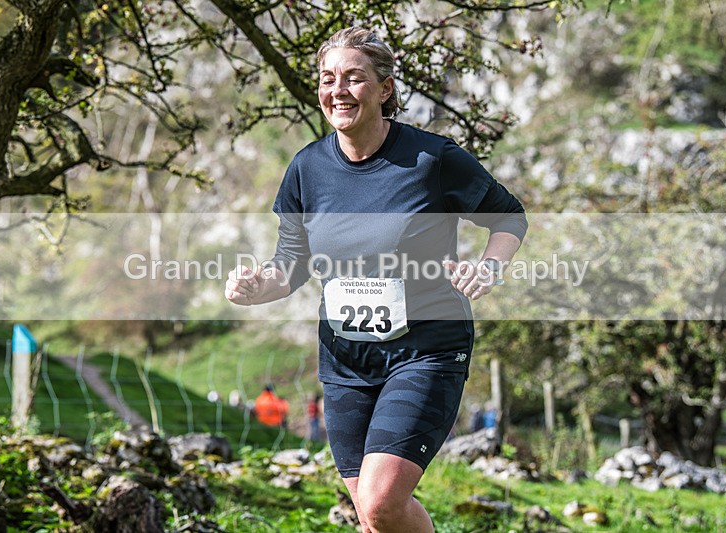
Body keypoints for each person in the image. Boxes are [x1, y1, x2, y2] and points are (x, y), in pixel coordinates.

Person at [226, 26, 527, 533]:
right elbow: (291, 265)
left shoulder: (431, 159)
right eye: (327, 79)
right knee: (370, 514)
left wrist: (489, 266)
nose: (338, 90)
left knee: (382, 500)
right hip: (346, 358)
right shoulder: (307, 168)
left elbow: (509, 217)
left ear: (384, 89)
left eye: (354, 78)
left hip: (426, 348)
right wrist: (257, 287)